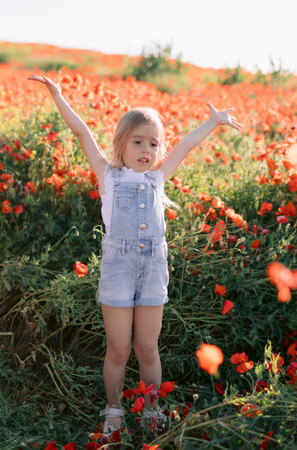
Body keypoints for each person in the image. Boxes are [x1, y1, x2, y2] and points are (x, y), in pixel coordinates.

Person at [28, 74, 242, 439]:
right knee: (118, 348)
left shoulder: (159, 178)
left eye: (154, 143)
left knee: (147, 347)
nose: (147, 149)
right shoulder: (108, 175)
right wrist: (59, 96)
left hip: (153, 267)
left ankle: (152, 405)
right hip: (119, 268)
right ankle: (114, 407)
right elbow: (82, 134)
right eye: (138, 141)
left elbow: (185, 147)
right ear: (121, 145)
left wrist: (213, 121)